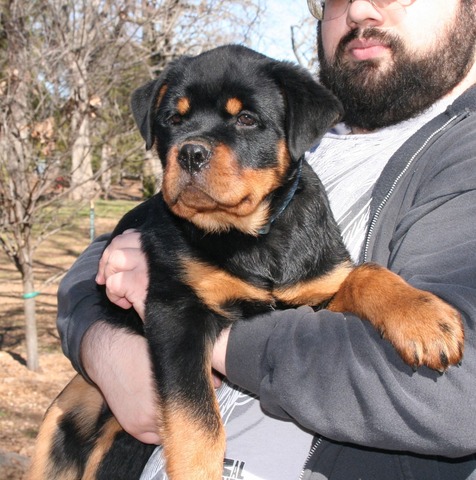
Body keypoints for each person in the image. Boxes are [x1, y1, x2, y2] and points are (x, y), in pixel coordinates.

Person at [57, 0, 476, 478]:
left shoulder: (462, 152)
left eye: (246, 121)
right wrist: (102, 345)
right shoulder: (305, 134)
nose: (360, 8)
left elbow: (458, 393)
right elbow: (97, 266)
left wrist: (198, 336)